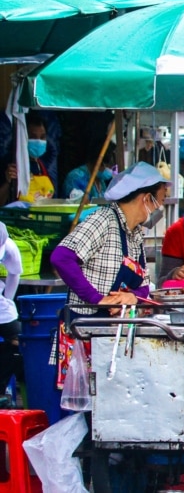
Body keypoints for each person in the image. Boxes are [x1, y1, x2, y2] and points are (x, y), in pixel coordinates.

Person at [50, 162, 170, 386]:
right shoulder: (103, 220)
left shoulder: (134, 234)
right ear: (145, 198)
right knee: (84, 409)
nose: (158, 209)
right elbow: (61, 257)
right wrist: (97, 299)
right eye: (159, 201)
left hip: (111, 335)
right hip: (84, 332)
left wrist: (132, 297)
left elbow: (143, 283)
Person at [1, 115, 56, 203]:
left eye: (42, 137)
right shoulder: (10, 162)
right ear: (22, 137)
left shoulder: (41, 165)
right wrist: (8, 181)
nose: (38, 141)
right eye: (33, 137)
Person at [0, 224, 21, 406]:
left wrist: (7, 299)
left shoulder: (9, 246)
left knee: (18, 342)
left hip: (1, 307)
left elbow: (14, 274)